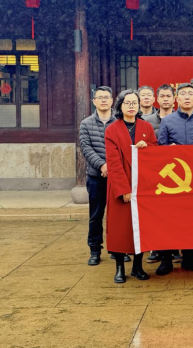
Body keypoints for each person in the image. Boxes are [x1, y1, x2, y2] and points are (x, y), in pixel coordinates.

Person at [156, 83, 193, 276]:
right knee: (168, 220)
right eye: (183, 94)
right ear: (176, 99)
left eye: (190, 94)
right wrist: (167, 150)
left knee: (191, 219)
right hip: (172, 180)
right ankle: (166, 259)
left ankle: (189, 256)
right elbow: (158, 150)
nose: (187, 97)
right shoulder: (167, 121)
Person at [105, 90, 158, 284]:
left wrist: (147, 147)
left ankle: (137, 267)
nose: (131, 106)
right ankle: (119, 268)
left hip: (142, 186)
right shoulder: (112, 130)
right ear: (120, 106)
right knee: (120, 230)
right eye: (127, 103)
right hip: (120, 186)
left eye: (134, 102)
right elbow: (113, 162)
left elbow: (156, 152)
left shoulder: (146, 127)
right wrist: (123, 189)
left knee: (140, 228)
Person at [79, 86, 116, 266]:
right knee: (95, 215)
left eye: (106, 97)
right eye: (99, 97)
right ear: (94, 101)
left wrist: (112, 167)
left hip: (117, 176)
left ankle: (118, 249)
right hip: (96, 177)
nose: (103, 100)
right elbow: (86, 148)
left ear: (112, 101)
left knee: (117, 215)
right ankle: (95, 250)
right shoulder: (86, 123)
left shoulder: (120, 122)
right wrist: (102, 165)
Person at [143, 84, 176, 265]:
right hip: (156, 174)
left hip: (177, 174)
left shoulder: (181, 119)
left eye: (168, 96)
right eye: (162, 96)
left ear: (174, 99)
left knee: (176, 214)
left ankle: (177, 249)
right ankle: (157, 250)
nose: (165, 99)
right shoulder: (147, 121)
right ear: (157, 99)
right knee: (157, 215)